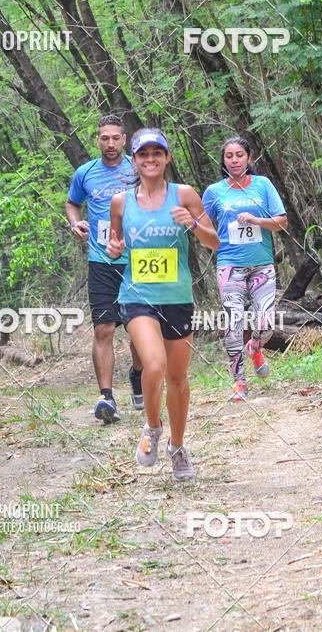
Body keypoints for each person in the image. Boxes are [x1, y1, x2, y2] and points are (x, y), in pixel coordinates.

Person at [106, 129, 219, 480]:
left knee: (178, 377)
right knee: (153, 364)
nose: (150, 159)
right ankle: (152, 427)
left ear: (167, 158)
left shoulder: (183, 194)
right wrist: (114, 251)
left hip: (177, 297)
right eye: (143, 154)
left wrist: (195, 223)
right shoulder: (120, 202)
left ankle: (178, 446)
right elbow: (115, 245)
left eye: (157, 153)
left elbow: (214, 242)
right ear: (135, 160)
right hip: (137, 297)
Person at [66, 114, 143, 424]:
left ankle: (138, 375)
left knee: (139, 331)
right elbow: (72, 203)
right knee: (104, 329)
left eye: (115, 138)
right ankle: (106, 397)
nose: (110, 144)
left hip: (137, 262)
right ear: (97, 140)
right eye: (104, 138)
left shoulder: (138, 170)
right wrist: (75, 223)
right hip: (101, 262)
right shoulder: (85, 173)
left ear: (124, 139)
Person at [202, 136, 288, 401]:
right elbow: (204, 227)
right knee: (234, 324)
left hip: (261, 264)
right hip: (229, 265)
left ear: (249, 158)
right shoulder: (215, 192)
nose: (235, 160)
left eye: (239, 155)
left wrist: (256, 220)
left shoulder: (263, 185)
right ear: (223, 160)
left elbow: (282, 222)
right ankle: (238, 381)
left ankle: (255, 348)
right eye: (229, 156)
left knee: (266, 323)